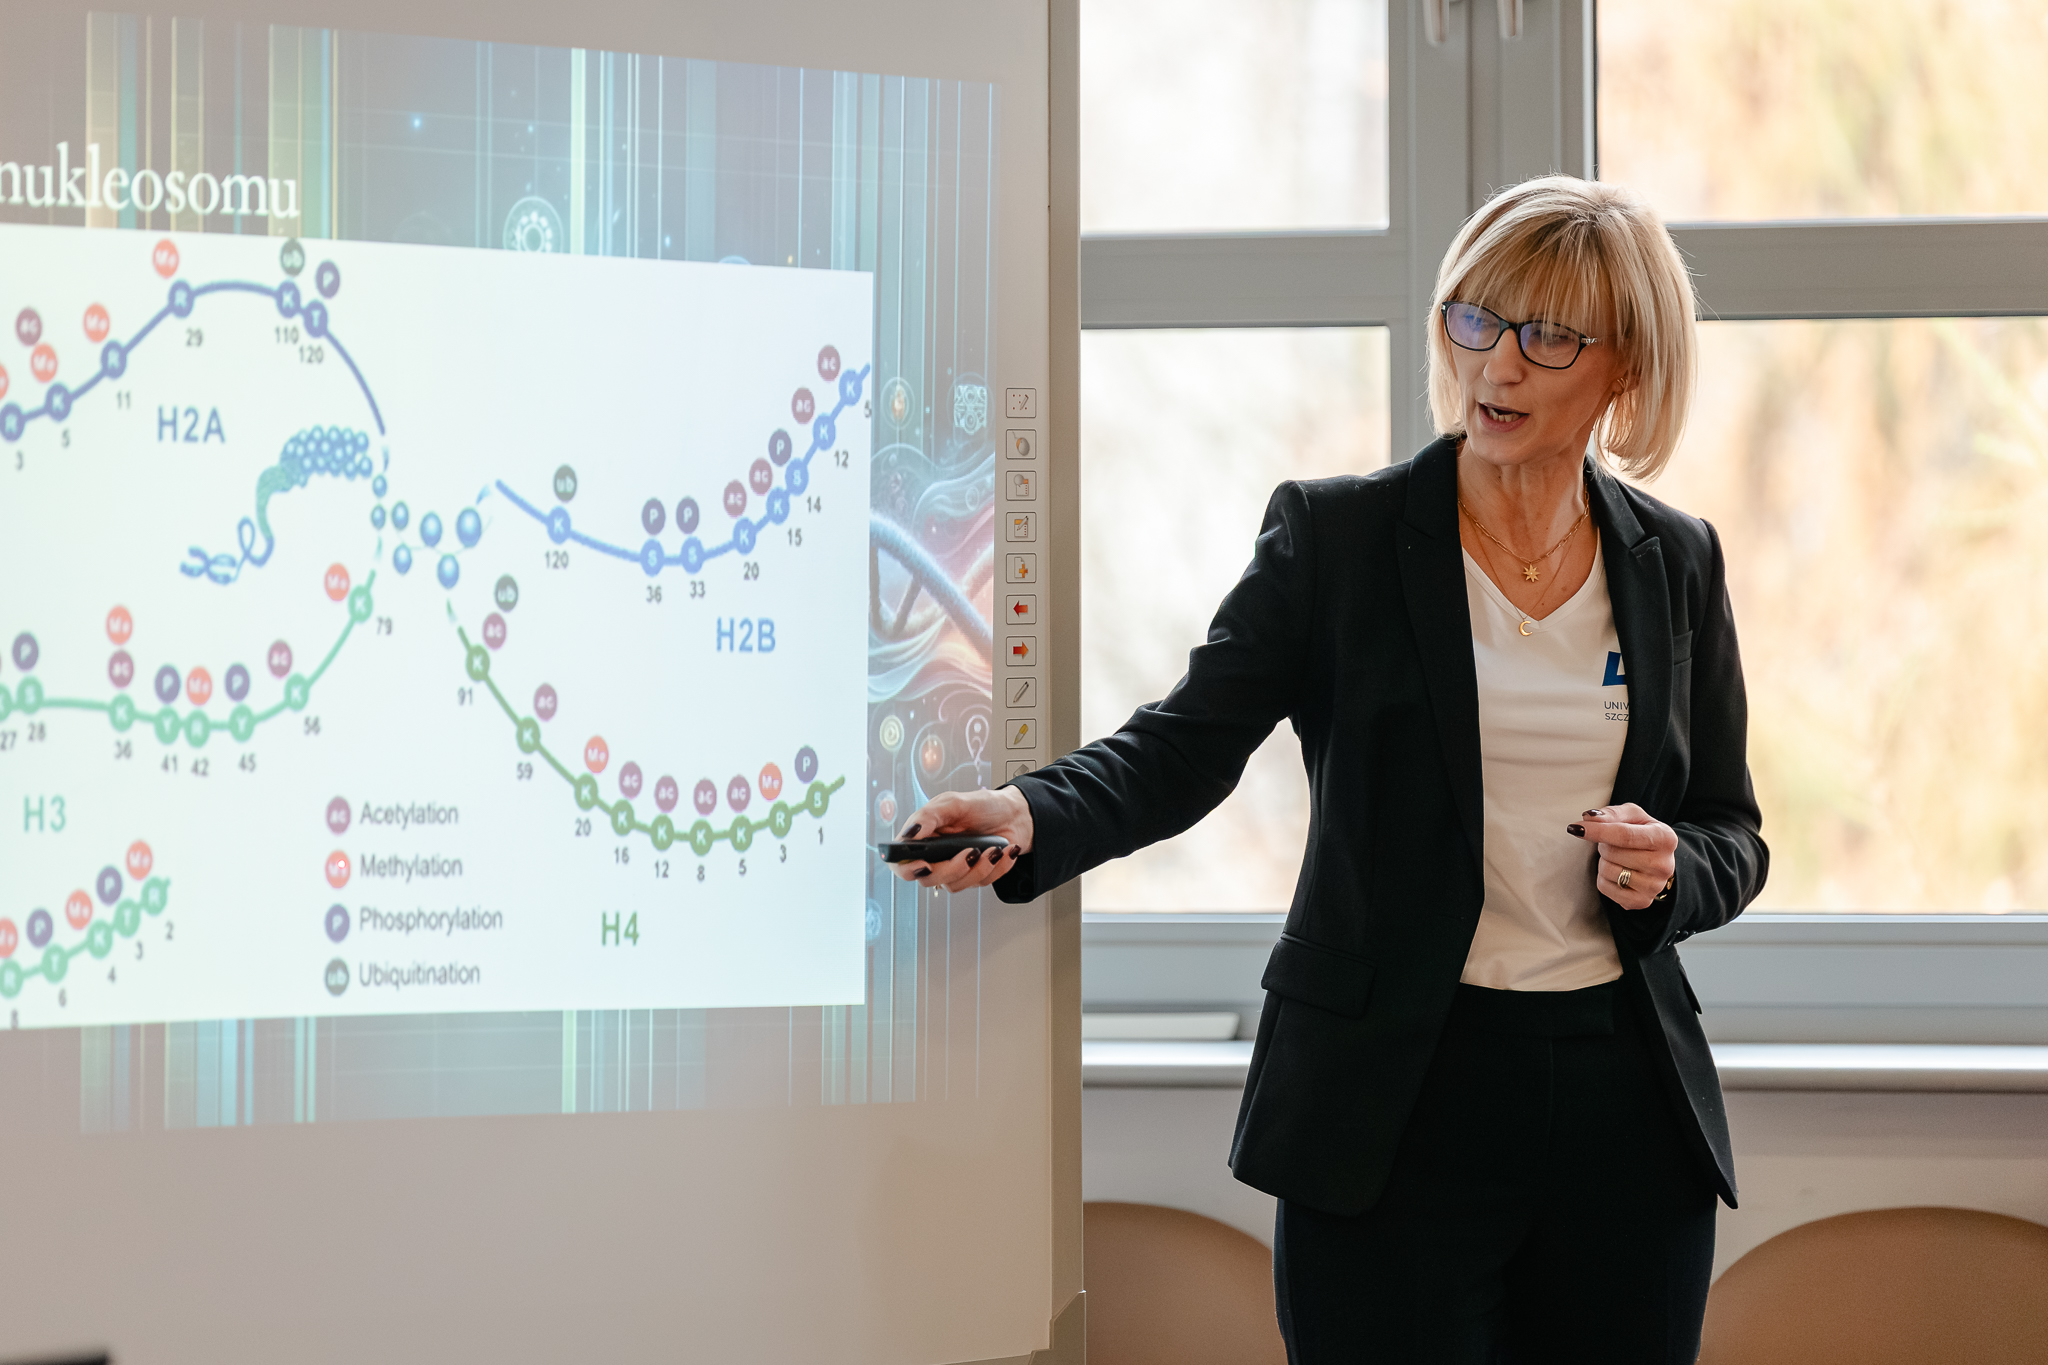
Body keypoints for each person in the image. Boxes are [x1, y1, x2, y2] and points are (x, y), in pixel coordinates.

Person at [891, 175, 1768, 1363]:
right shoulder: (1338, 539)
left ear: (1627, 368)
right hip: (1391, 1101)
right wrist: (1029, 811)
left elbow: (1727, 829)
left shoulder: (1675, 560)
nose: (1495, 364)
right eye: (1473, 319)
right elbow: (1183, 743)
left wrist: (1672, 869)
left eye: (1546, 337)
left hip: (1621, 1105)